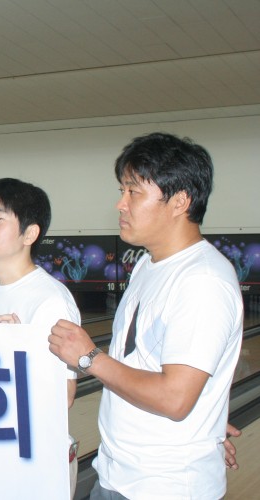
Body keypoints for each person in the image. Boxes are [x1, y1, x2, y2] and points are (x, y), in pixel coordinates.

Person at [48, 132, 243, 499]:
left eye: (133, 192)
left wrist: (89, 357)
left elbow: (174, 398)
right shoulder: (147, 265)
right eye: (122, 190)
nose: (120, 204)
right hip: (118, 474)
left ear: (180, 201)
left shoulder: (202, 280)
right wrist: (209, 418)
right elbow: (148, 367)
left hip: (164, 487)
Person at [0, 178, 80, 497]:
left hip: (36, 463)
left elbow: (64, 396)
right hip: (1, 453)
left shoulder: (50, 300)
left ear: (30, 234)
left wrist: (20, 346)